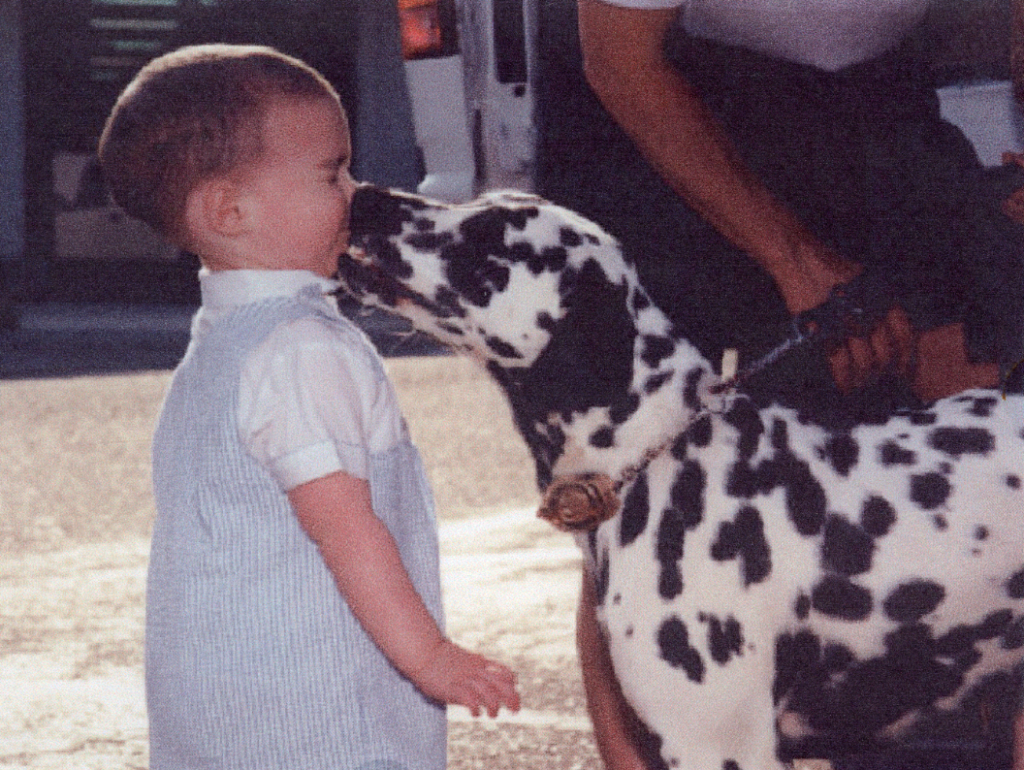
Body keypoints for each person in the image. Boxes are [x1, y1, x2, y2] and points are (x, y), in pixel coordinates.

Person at [533, 1, 1024, 768]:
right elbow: (620, 63)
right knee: (648, 490)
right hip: (654, 94)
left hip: (867, 91)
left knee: (973, 378)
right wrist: (793, 259)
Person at [98, 44, 519, 769]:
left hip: (227, 727)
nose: (356, 192)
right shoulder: (299, 348)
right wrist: (430, 657)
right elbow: (345, 530)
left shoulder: (219, 346)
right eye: (333, 173)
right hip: (323, 723)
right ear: (230, 210)